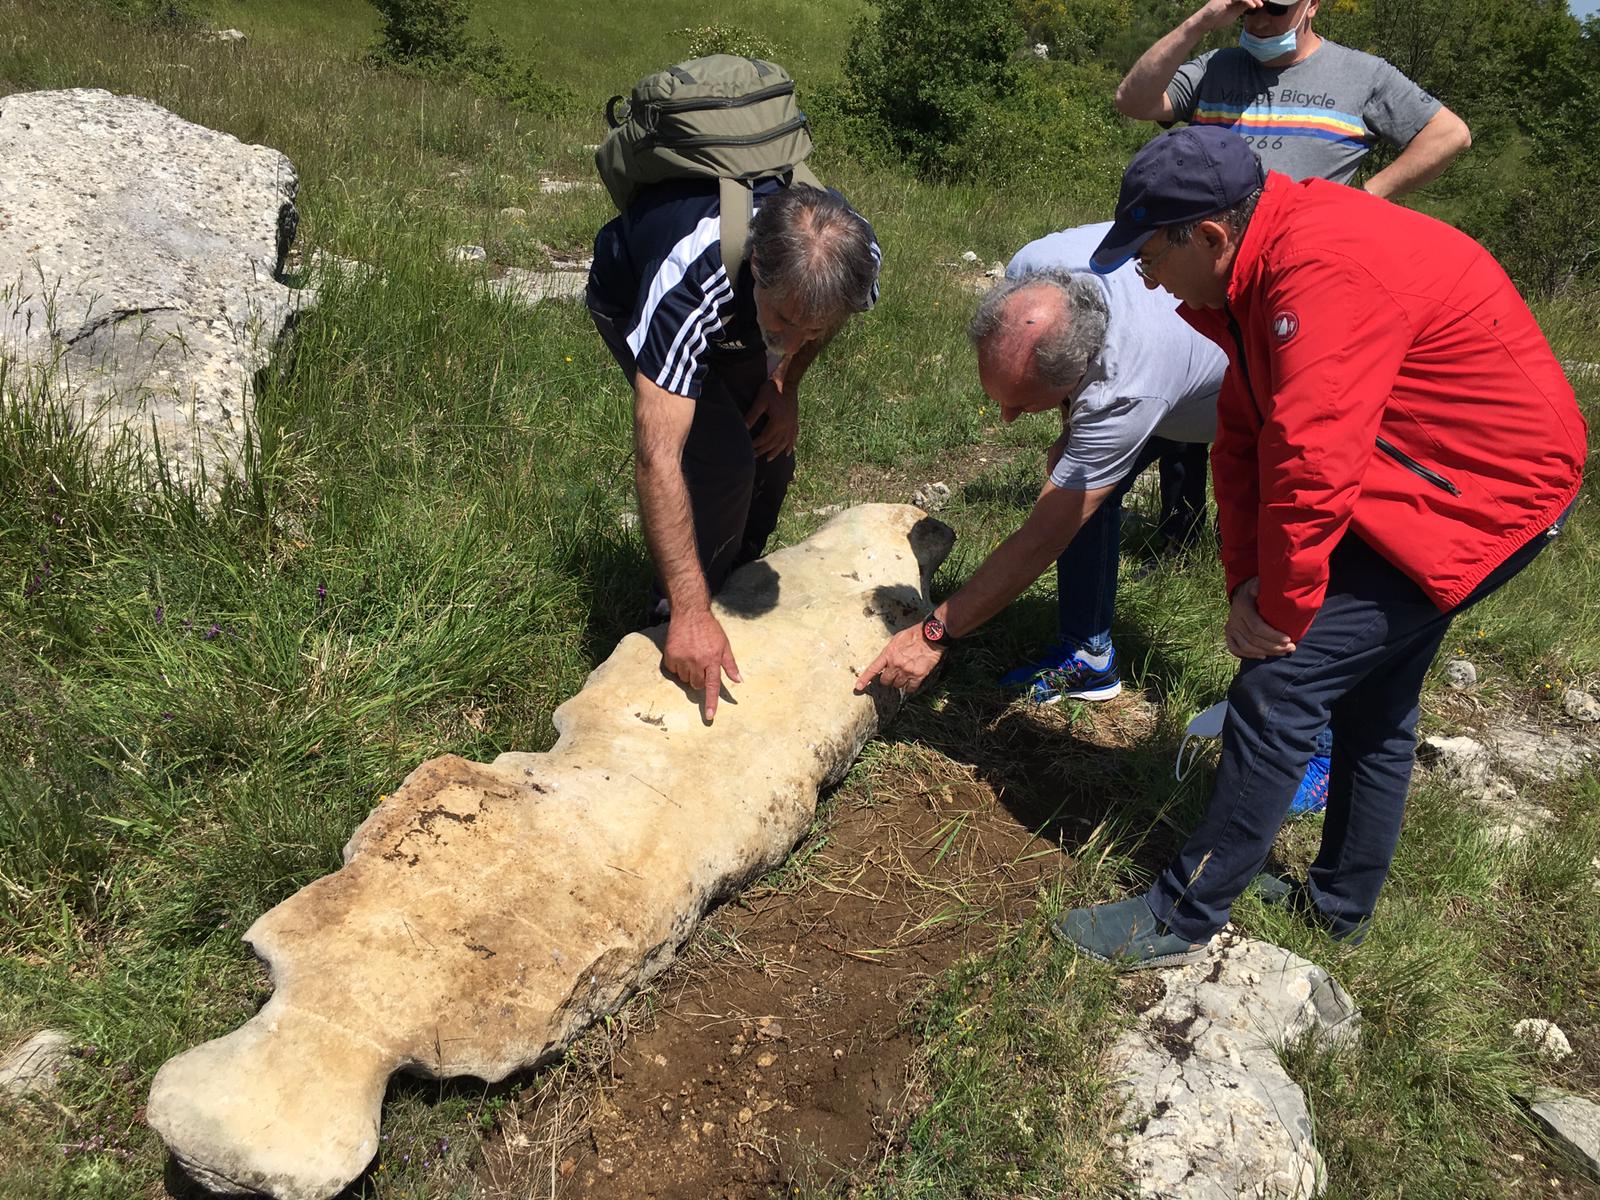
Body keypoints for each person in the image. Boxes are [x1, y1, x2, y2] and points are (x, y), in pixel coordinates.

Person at [1051, 126, 1584, 968]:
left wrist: (1280, 612)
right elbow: (1243, 433)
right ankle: (1338, 907)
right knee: (1374, 702)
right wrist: (1249, 577)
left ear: (1211, 235)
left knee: (1281, 687)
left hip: (1480, 496)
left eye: (1149, 251)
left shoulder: (1319, 273)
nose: (1142, 273)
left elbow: (1313, 456)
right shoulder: (1259, 267)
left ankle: (1184, 912)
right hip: (1430, 475)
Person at [1114, 0, 1474, 656]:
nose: (1257, 17)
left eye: (1274, 6)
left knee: (1303, 455)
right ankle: (1187, 544)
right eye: (1246, 5)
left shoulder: (1361, 74)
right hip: (1217, 283)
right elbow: (1135, 100)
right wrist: (1201, 21)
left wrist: (1370, 199)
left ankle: (1302, 616)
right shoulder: (1216, 66)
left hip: (1311, 304)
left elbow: (1450, 132)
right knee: (1214, 431)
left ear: (1311, 4)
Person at [851, 233, 1224, 703]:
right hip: (1154, 367)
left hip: (1223, 400)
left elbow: (1044, 537)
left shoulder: (1122, 390)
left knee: (1078, 503)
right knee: (1080, 483)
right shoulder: (1032, 265)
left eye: (1024, 404)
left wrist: (932, 636)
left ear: (1079, 372)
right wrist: (1070, 426)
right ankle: (1090, 653)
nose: (1006, 418)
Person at [587, 180, 880, 723]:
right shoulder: (691, 283)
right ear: (755, 269)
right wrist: (690, 610)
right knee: (721, 460)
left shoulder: (856, 260)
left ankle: (730, 576)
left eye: (812, 327)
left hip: (741, 316)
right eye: (787, 322)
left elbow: (807, 327)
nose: (795, 340)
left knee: (770, 449)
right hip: (630, 292)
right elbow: (658, 457)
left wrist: (785, 385)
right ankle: (675, 614)